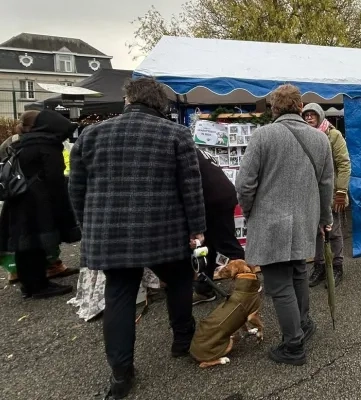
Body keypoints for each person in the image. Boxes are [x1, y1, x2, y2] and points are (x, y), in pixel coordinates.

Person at [69, 77, 206, 399]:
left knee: (119, 296)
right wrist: (197, 229)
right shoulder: (176, 134)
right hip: (165, 226)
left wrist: (86, 226)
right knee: (180, 281)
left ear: (129, 99)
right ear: (162, 105)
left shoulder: (92, 135)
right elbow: (191, 187)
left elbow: (76, 189)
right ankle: (182, 341)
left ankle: (121, 373)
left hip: (110, 230)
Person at [236, 84, 334, 366]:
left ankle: (294, 345)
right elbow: (326, 185)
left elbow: (244, 184)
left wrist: (250, 210)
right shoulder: (320, 140)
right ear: (301, 108)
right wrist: (324, 220)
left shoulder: (263, 136)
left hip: (271, 223)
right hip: (304, 220)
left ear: (274, 108)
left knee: (279, 285)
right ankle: (303, 325)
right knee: (298, 274)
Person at [0, 110, 81, 299]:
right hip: (38, 202)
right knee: (35, 243)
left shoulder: (22, 141)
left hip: (20, 199)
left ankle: (30, 282)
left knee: (26, 243)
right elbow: (54, 179)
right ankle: (37, 285)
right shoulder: (46, 146)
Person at [302, 103, 350, 287]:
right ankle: (319, 266)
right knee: (315, 232)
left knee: (334, 231)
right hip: (311, 194)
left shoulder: (333, 135)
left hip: (331, 193)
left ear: (320, 116)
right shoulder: (305, 136)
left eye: (312, 115)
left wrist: (341, 191)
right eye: (306, 115)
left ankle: (337, 267)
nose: (309, 118)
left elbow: (344, 164)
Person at [193, 148, 245, 305]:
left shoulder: (183, 149)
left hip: (215, 199)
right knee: (207, 246)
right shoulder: (192, 148)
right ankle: (204, 289)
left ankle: (247, 283)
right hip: (218, 195)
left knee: (226, 243)